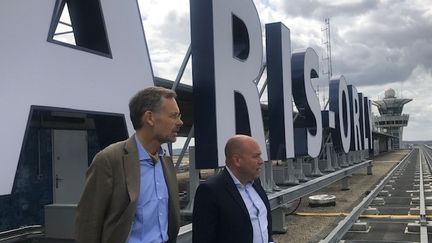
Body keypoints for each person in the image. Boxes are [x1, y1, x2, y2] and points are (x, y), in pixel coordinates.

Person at [75, 87, 183, 243]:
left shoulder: (165, 161)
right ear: (150, 118)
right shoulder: (109, 160)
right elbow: (88, 225)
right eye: (174, 116)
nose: (180, 122)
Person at [192, 135, 274, 243]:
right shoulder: (210, 190)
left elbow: (264, 224)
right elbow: (203, 238)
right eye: (256, 156)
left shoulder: (256, 183)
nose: (261, 161)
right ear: (237, 160)